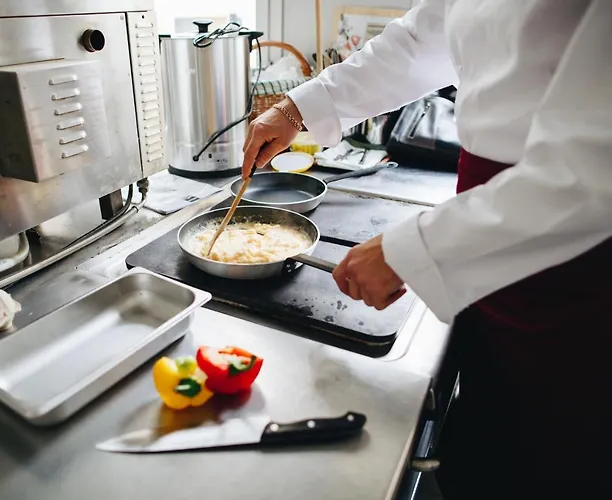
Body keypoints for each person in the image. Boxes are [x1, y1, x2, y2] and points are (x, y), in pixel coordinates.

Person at [241, 1, 611, 498]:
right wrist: (298, 108)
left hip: (570, 253)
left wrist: (412, 249)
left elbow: (591, 171)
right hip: (487, 233)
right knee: (497, 433)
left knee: (559, 450)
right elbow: (420, 41)